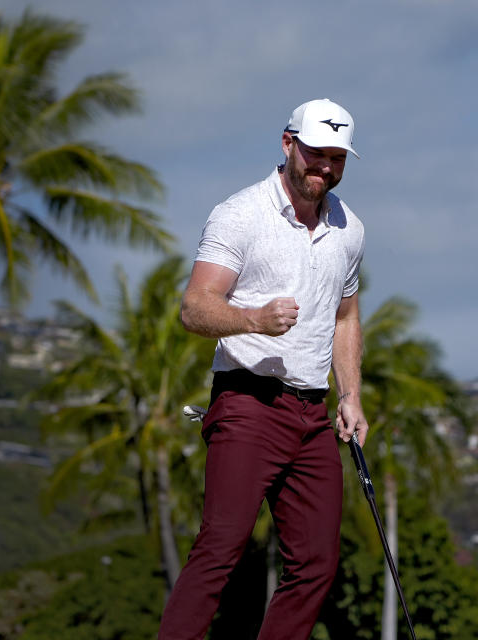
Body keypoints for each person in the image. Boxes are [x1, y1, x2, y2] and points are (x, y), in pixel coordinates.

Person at [158, 98, 369, 640]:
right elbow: (194, 306)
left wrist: (351, 396)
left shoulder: (349, 228)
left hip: (312, 413)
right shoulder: (240, 213)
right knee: (220, 551)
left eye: (337, 158)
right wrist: (252, 318)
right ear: (287, 143)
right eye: (316, 153)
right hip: (248, 404)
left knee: (316, 564)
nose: (325, 166)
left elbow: (345, 317)